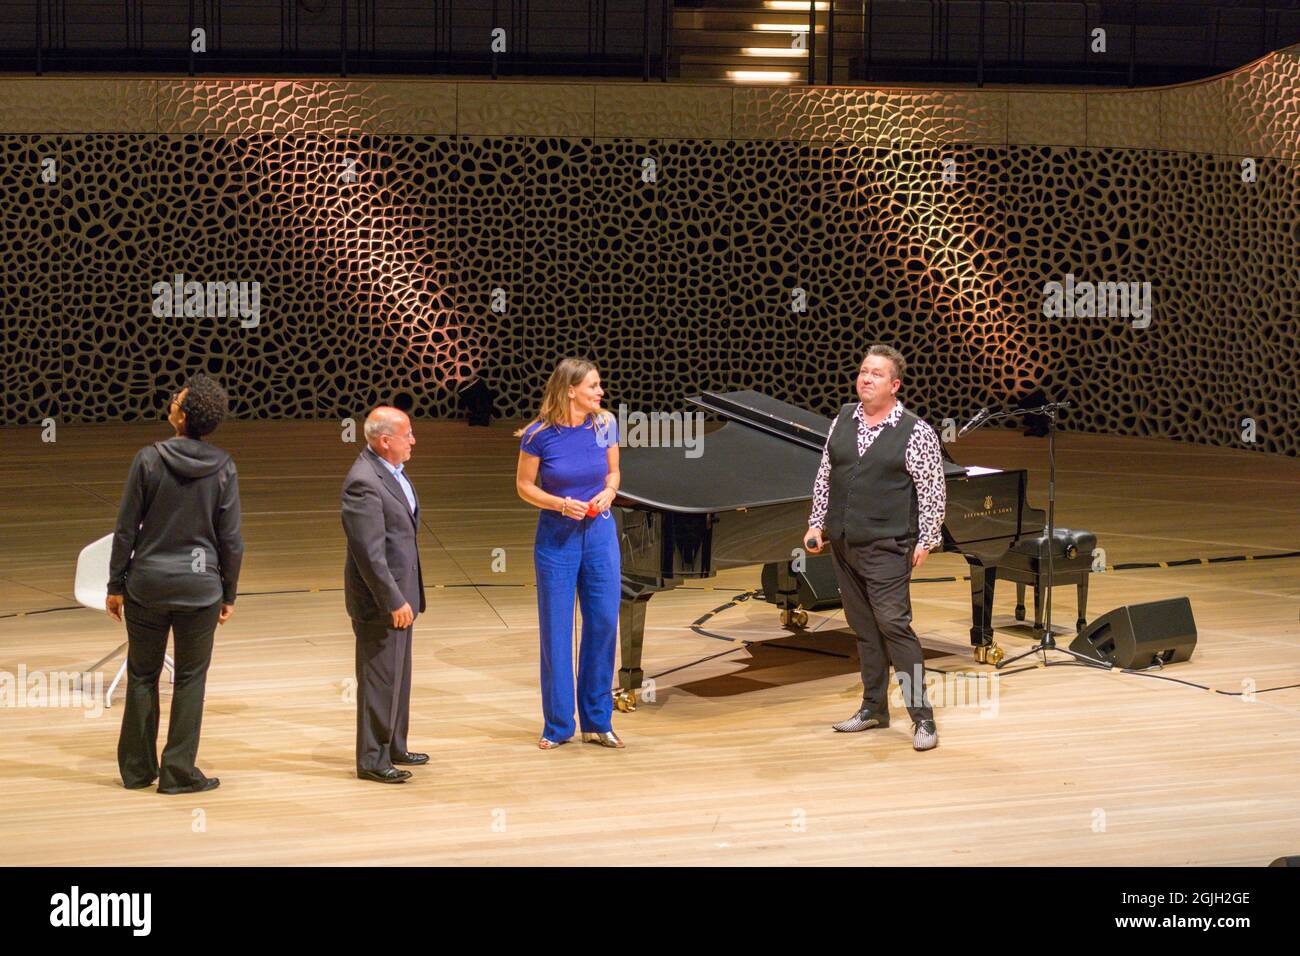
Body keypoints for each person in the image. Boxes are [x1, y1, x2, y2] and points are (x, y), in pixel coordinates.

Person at [805, 345, 947, 751]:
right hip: (845, 543)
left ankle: (923, 719)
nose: (866, 379)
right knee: (864, 629)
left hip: (887, 545)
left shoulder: (915, 430)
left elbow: (932, 489)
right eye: (863, 372)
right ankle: (873, 708)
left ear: (894, 385)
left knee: (894, 628)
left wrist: (927, 539)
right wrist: (817, 523)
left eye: (876, 374)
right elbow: (825, 475)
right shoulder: (843, 419)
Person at [106, 373, 242, 793]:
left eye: (176, 401)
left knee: (142, 676)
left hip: (147, 586)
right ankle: (178, 773)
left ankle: (136, 770)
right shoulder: (223, 468)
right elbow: (231, 539)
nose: (170, 404)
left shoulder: (148, 459)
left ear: (184, 418)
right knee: (189, 679)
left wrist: (114, 584)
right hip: (200, 590)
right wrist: (229, 592)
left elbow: (126, 529)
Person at [515, 358, 624, 750]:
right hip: (556, 540)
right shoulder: (538, 434)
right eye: (593, 386)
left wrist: (609, 491)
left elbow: (613, 474)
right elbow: (525, 487)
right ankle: (558, 725)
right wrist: (560, 504)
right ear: (570, 391)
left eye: (599, 385)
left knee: (603, 624)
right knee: (557, 632)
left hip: (600, 536)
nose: (600, 392)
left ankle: (598, 721)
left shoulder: (605, 424)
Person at [341, 406, 429, 783]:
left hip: (403, 593)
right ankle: (373, 759)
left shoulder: (393, 472)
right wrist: (392, 599)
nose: (413, 440)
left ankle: (395, 743)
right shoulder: (363, 481)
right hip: (382, 600)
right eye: (407, 434)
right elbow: (369, 554)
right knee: (379, 679)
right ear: (384, 440)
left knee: (398, 675)